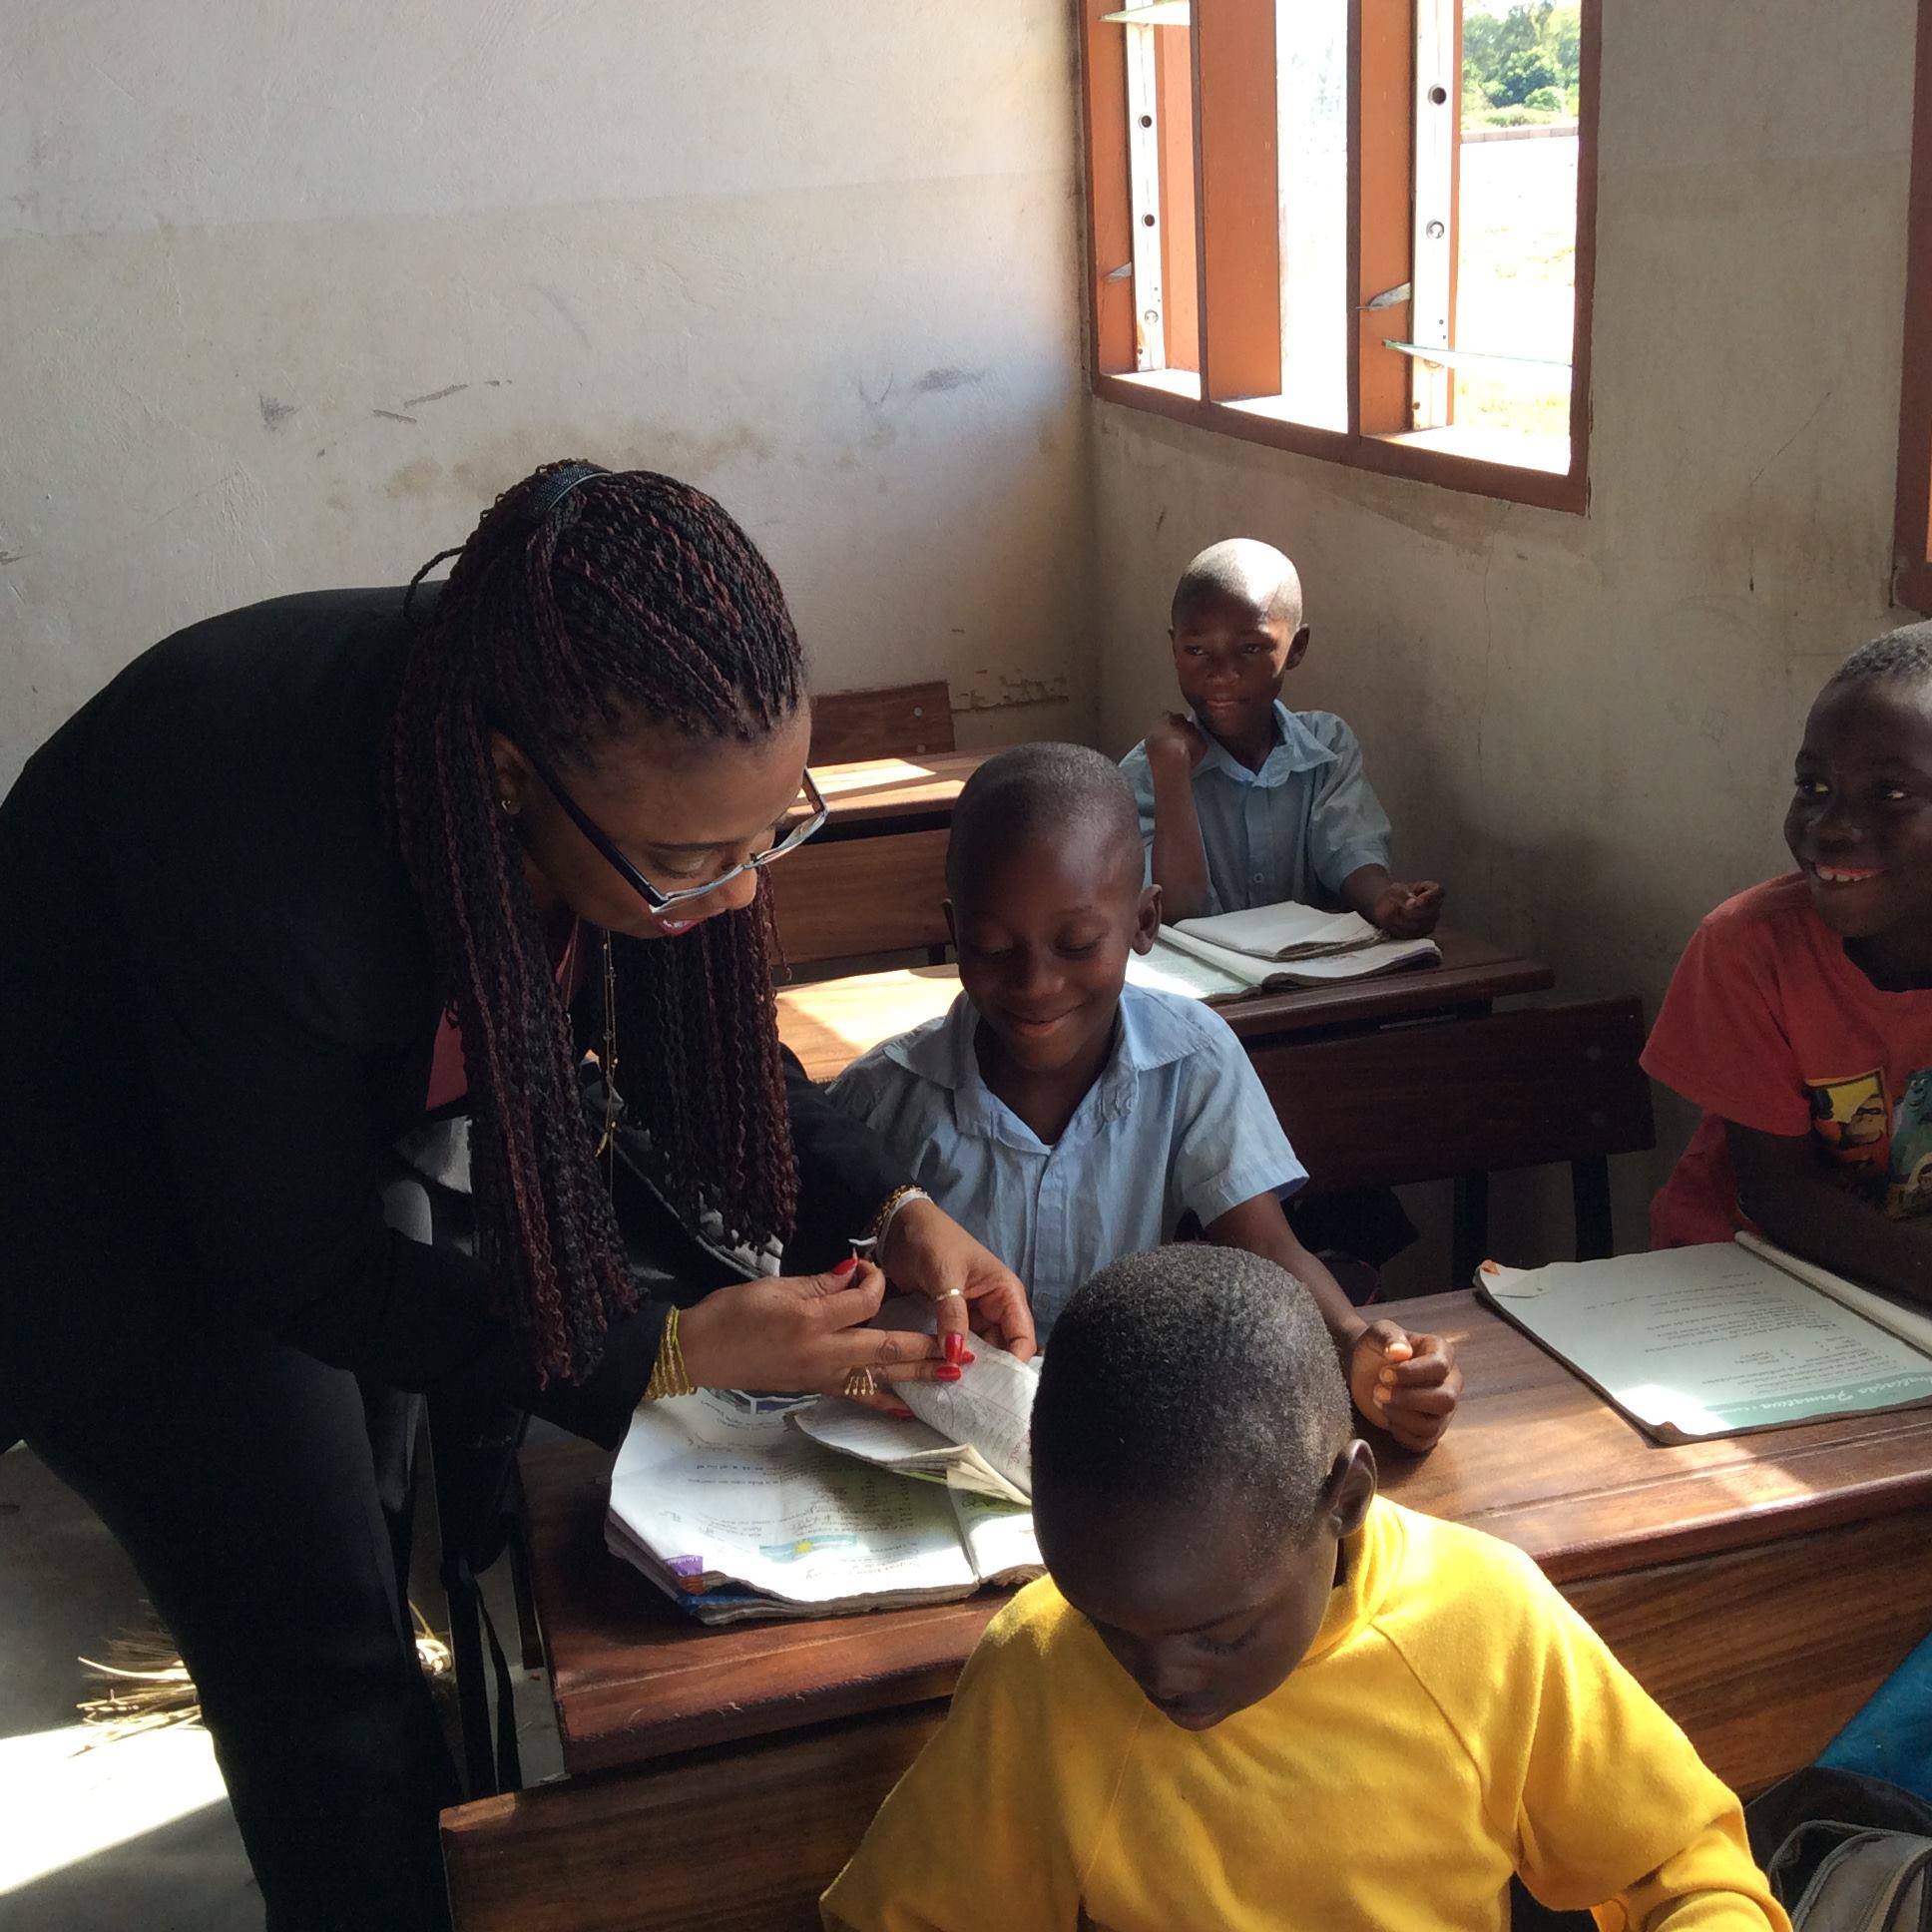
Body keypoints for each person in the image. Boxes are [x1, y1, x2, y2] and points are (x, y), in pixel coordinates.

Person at [0, 461, 1032, 1931]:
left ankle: (436, 1848)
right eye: (692, 862)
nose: (736, 898)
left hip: (310, 1135)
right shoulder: (270, 866)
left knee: (382, 1494)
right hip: (91, 1197)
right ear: (501, 779)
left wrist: (885, 1208)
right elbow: (297, 1266)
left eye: (768, 838)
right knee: (318, 1643)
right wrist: (666, 1352)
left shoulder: (620, 763)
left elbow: (711, 1051)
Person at [821, 1246, 1787, 1932]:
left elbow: (1680, 1873)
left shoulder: (1482, 1615)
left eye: (1221, 1632)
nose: (1158, 1674)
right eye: (1107, 1623)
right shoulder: (1042, 1661)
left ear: (1347, 1500)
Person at [827, 743, 1458, 1450]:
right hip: (942, 1446)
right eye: (994, 947)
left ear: (1144, 923)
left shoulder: (1192, 1059)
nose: (1036, 984)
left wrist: (1354, 1348)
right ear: (953, 934)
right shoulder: (882, 1105)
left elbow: (1267, 1248)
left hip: (1129, 1456)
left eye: (1076, 945)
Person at [1644, 623, 1932, 1302]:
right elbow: (1779, 1194)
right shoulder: (1750, 948)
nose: (1831, 825)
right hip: (1744, 1278)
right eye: (1814, 785)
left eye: (1890, 794)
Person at [1119, 537, 1442, 934]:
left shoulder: (1328, 747)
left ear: (1297, 647)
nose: (1222, 672)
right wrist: (1172, 776)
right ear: (1174, 648)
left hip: (1314, 980)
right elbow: (1175, 910)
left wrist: (1382, 899)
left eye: (1251, 647)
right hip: (1207, 992)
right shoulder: (1146, 772)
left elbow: (1348, 851)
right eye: (1196, 650)